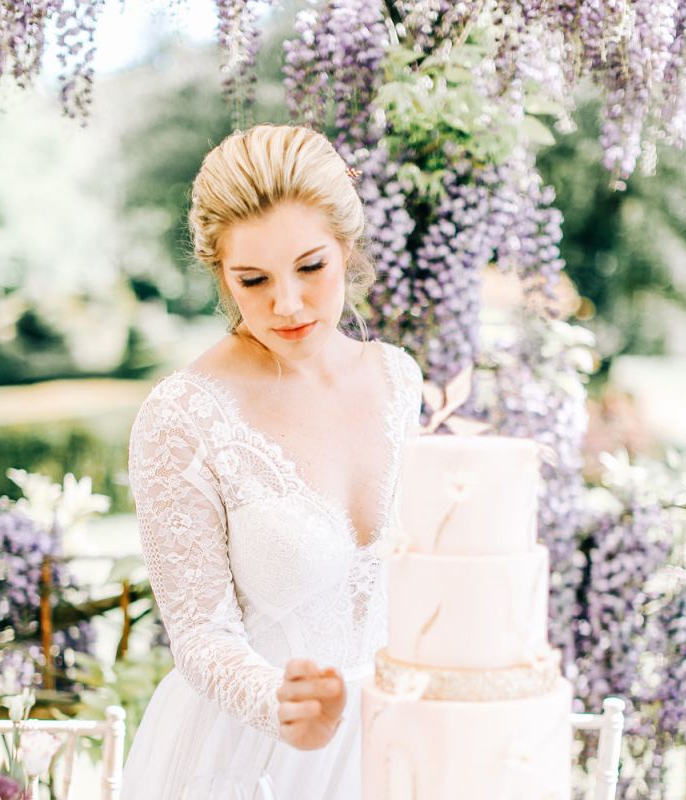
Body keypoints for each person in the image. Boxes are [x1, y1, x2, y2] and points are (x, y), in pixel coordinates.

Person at [120, 123, 422, 799]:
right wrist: (279, 705)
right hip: (244, 757)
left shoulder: (401, 380)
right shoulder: (182, 417)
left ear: (346, 248)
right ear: (221, 276)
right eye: (253, 280)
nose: (287, 305)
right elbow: (200, 635)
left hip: (386, 751)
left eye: (311, 268)